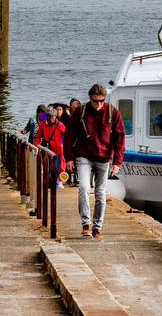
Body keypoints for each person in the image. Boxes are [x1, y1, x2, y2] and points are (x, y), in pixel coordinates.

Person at [64, 84, 125, 238]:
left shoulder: (113, 112)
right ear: (89, 98)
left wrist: (117, 162)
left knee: (100, 193)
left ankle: (97, 227)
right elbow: (69, 135)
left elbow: (119, 138)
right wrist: (69, 158)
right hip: (83, 155)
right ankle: (86, 224)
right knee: (84, 188)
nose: (98, 104)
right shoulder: (80, 112)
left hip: (104, 157)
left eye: (101, 101)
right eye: (95, 101)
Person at [33, 106, 66, 187]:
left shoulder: (59, 125)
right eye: (50, 118)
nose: (52, 120)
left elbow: (67, 133)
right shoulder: (43, 125)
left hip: (57, 150)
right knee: (48, 168)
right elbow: (37, 136)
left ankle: (55, 184)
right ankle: (50, 183)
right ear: (47, 117)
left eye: (54, 118)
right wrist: (36, 146)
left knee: (57, 168)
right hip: (46, 150)